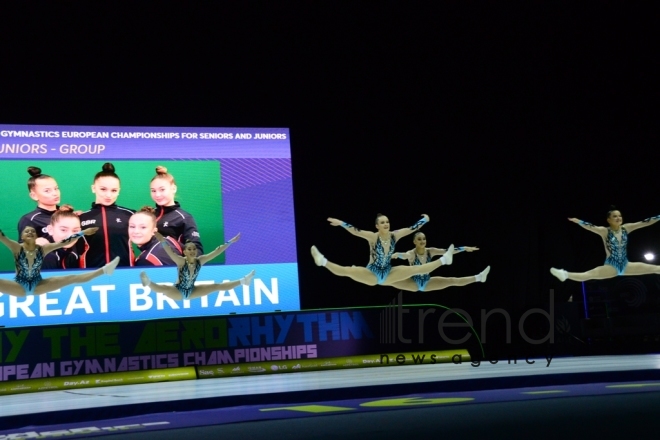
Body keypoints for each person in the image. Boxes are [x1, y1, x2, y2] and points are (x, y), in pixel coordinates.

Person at [311, 213, 454, 286]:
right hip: (372, 272)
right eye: (382, 222)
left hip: (388, 273)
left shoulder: (395, 236)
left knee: (416, 269)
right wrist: (341, 223)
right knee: (348, 271)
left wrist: (425, 220)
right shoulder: (373, 237)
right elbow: (356, 231)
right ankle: (322, 261)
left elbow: (412, 229)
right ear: (377, 226)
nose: (386, 224)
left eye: (387, 222)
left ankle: (444, 260)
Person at [0, 226, 119, 297]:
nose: (30, 233)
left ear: (36, 236)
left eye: (32, 231)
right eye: (27, 232)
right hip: (19, 287)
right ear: (22, 236)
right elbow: (2, 236)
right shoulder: (16, 247)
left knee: (71, 277)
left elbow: (65, 242)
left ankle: (105, 270)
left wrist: (83, 232)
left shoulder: (43, 249)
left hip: (40, 285)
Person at [551, 207, 660, 281]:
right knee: (588, 275)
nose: (618, 218)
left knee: (656, 269)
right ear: (608, 219)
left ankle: (565, 275)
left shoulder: (626, 228)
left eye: (620, 216)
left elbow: (644, 222)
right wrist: (578, 221)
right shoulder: (604, 231)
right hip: (611, 266)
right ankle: (565, 274)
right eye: (615, 216)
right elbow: (590, 226)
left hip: (626, 265)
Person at [139, 232, 254, 301]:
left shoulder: (200, 260)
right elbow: (169, 251)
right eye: (189, 249)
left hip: (192, 291)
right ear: (184, 252)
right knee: (165, 288)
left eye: (194, 249)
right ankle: (148, 282)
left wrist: (230, 242)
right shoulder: (180, 261)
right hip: (178, 291)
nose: (193, 251)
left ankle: (244, 281)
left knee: (216, 286)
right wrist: (162, 241)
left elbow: (216, 251)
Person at [390, 232, 490, 291]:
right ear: (414, 242)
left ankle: (480, 277)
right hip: (413, 283)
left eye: (424, 239)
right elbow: (405, 255)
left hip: (427, 283)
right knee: (388, 280)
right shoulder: (412, 253)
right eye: (419, 239)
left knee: (452, 280)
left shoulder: (431, 251)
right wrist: (398, 254)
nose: (422, 241)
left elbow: (448, 251)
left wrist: (464, 248)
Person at [79, 163, 135, 267]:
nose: (108, 195)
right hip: (91, 276)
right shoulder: (81, 218)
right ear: (93, 188)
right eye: (103, 189)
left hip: (126, 274)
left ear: (119, 191)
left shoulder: (130, 215)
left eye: (114, 190)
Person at [150, 165, 203, 255]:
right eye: (153, 191)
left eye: (162, 189)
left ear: (173, 188)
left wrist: (170, 243)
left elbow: (197, 252)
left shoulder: (184, 217)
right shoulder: (148, 215)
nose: (157, 195)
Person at [17, 166, 61, 245]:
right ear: (34, 195)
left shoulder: (67, 213)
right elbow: (22, 252)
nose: (55, 193)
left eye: (56, 188)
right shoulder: (29, 220)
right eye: (47, 191)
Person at [42, 205, 90, 270]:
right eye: (63, 230)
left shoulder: (73, 252)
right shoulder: (47, 257)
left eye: (75, 231)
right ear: (50, 230)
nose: (70, 235)